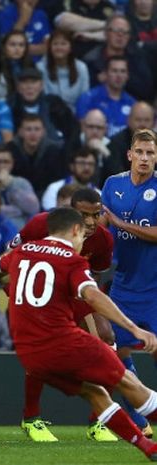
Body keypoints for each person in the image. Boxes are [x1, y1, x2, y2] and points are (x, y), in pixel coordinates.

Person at [0, 206, 157, 461]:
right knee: (130, 383)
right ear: (75, 230)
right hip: (65, 345)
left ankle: (149, 449)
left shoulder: (21, 251)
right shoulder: (71, 260)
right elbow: (92, 295)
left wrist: (15, 294)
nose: (82, 242)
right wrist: (134, 329)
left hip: (31, 357)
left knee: (95, 393)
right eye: (81, 236)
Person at [10, 187, 120, 442]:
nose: (91, 222)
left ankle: (99, 420)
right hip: (37, 291)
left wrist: (87, 306)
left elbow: (97, 275)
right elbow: (11, 254)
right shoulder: (41, 224)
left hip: (75, 290)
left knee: (107, 337)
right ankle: (31, 418)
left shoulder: (103, 239)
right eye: (84, 215)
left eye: (96, 214)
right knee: (41, 348)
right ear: (71, 212)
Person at [102, 128, 157, 442]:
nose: (145, 159)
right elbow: (104, 225)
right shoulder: (113, 184)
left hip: (154, 286)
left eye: (151, 153)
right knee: (117, 352)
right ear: (130, 155)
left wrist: (124, 226)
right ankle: (140, 420)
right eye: (141, 152)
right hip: (122, 284)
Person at [76, 55, 137, 138]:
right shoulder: (88, 99)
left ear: (127, 75)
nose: (119, 75)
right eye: (114, 71)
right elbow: (82, 131)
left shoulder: (133, 103)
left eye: (123, 71)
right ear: (105, 74)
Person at [36, 29, 90, 112]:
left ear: (70, 47)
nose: (59, 47)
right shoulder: (41, 67)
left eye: (63, 44)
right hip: (49, 113)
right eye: (55, 44)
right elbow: (43, 98)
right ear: (50, 47)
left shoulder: (82, 68)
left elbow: (84, 98)